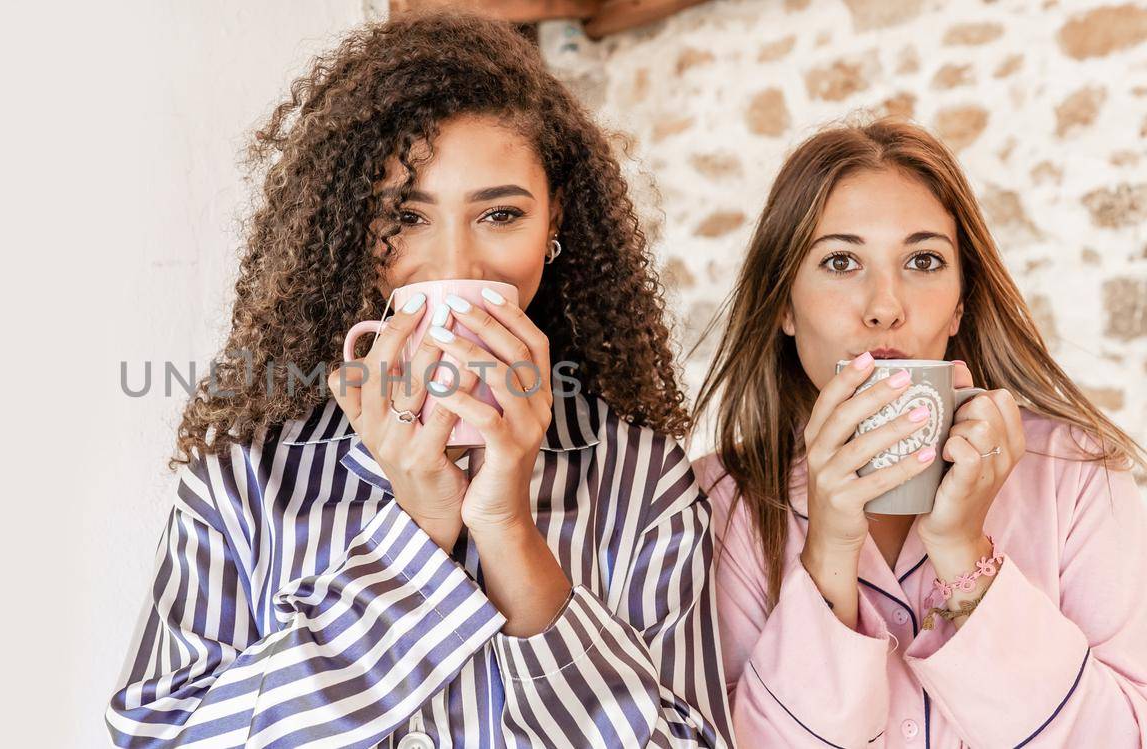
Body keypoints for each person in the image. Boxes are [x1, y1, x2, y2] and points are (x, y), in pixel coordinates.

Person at [106, 12, 733, 748]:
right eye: (406, 216)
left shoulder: (643, 482)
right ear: (353, 232)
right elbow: (160, 738)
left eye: (500, 214)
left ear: (554, 219)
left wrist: (510, 537)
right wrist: (413, 534)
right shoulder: (245, 481)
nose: (456, 268)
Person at [694, 118, 1147, 747]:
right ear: (785, 308)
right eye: (841, 261)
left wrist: (965, 555)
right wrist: (828, 553)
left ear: (960, 301)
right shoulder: (714, 504)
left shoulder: (1076, 473)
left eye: (924, 260)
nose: (885, 306)